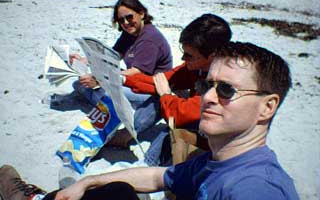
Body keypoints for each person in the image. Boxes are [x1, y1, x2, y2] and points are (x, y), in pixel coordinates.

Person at [0, 42, 299, 200]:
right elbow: (158, 177)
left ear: (267, 107)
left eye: (226, 90)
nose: (208, 97)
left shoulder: (256, 188)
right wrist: (88, 182)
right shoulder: (218, 161)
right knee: (117, 191)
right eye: (207, 85)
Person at [47, 0, 172, 135]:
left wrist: (100, 79)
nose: (125, 23)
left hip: (149, 89)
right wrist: (84, 61)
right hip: (133, 80)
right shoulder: (130, 33)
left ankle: (114, 105)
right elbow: (113, 56)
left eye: (129, 17)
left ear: (141, 14)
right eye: (121, 20)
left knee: (99, 88)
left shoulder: (149, 39)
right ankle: (109, 102)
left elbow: (137, 72)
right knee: (81, 83)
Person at [119, 13, 232, 164]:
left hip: (213, 140)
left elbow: (182, 115)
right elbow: (160, 81)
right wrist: (122, 79)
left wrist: (166, 94)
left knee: (175, 123)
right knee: (160, 99)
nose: (183, 59)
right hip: (193, 115)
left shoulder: (223, 80)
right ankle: (129, 133)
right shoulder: (198, 66)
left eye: (189, 55)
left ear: (212, 55)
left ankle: (149, 163)